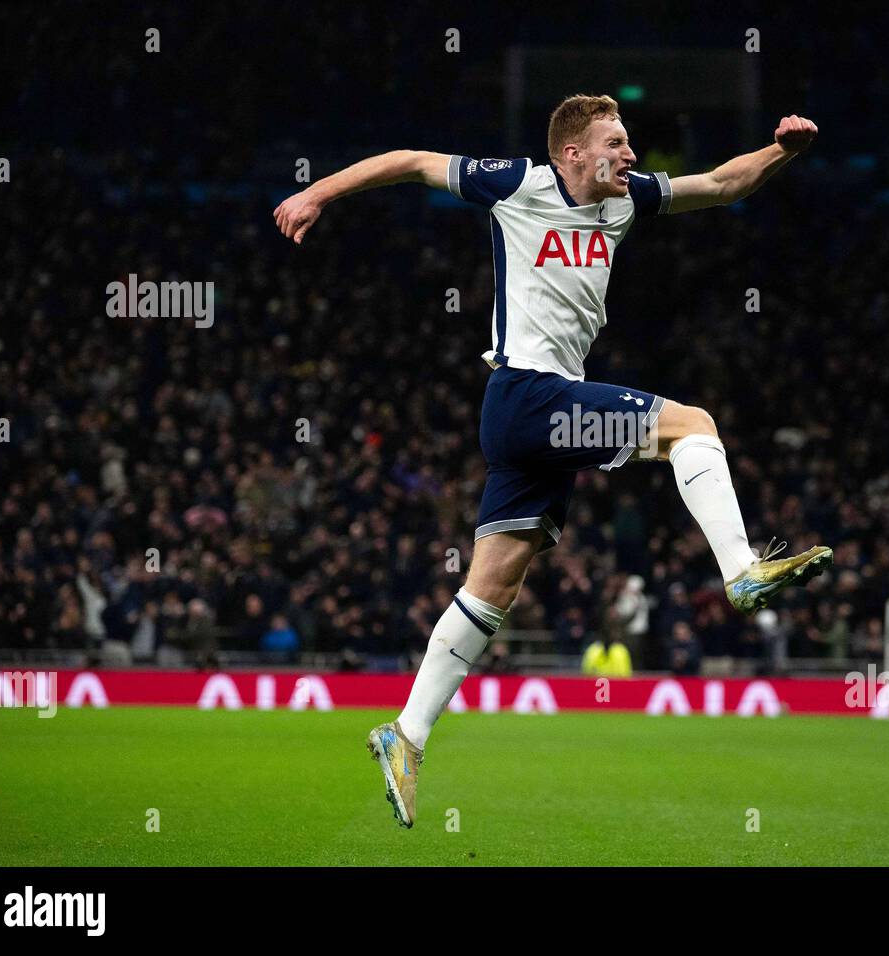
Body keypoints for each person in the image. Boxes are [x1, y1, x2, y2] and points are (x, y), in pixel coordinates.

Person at [274, 94, 832, 828]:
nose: (632, 155)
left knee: (493, 590)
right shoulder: (516, 183)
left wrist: (783, 151)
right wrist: (316, 191)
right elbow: (410, 161)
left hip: (530, 423)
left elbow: (723, 185)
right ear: (573, 152)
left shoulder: (628, 199)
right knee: (692, 425)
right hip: (528, 397)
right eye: (617, 141)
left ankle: (405, 736)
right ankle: (740, 568)